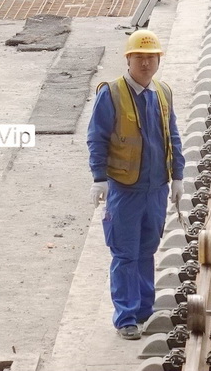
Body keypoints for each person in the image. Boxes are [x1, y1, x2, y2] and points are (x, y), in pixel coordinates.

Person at [87, 29, 185, 341]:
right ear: (128, 59)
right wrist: (99, 178)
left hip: (156, 188)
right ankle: (126, 317)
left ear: (158, 61)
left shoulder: (163, 92)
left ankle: (145, 311)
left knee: (147, 250)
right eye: (139, 57)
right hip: (125, 189)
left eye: (151, 57)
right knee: (125, 253)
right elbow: (97, 137)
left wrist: (178, 177)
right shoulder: (111, 93)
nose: (145, 63)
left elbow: (173, 136)